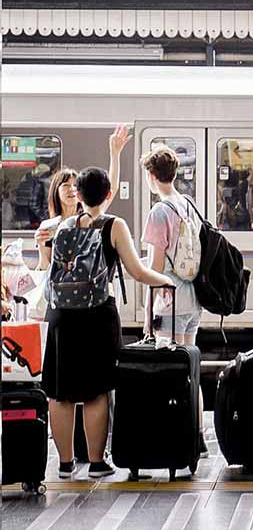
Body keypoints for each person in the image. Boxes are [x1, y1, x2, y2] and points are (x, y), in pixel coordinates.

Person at [43, 167, 172, 479]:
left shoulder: (63, 227)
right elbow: (138, 271)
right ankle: (97, 462)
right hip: (96, 314)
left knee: (60, 392)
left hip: (60, 314)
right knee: (95, 390)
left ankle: (64, 464)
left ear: (78, 195)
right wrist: (166, 280)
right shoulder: (114, 225)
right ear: (109, 194)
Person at [138, 145, 209, 458]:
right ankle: (198, 435)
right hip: (193, 298)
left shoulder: (160, 211)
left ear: (152, 177)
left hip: (169, 298)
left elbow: (154, 268)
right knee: (190, 366)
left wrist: (146, 312)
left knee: (173, 368)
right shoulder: (188, 204)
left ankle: (179, 436)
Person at [34, 125, 132, 269]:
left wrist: (115, 154)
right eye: (65, 185)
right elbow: (44, 269)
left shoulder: (92, 216)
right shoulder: (48, 227)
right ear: (56, 191)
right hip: (62, 288)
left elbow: (112, 188)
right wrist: (42, 249)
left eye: (75, 186)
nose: (71, 190)